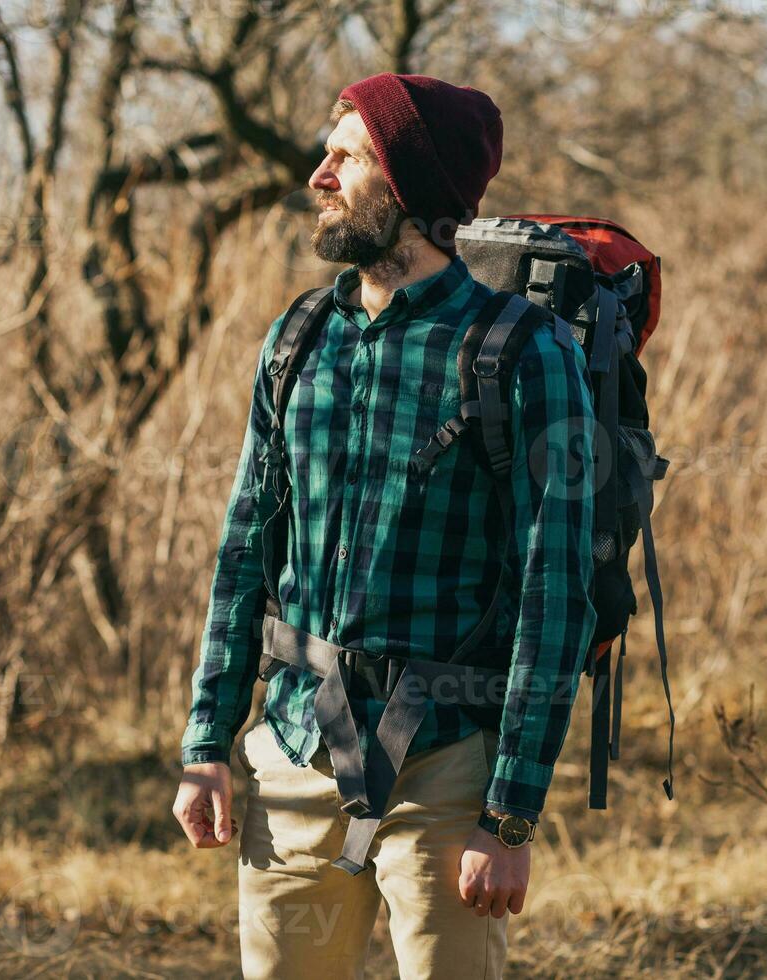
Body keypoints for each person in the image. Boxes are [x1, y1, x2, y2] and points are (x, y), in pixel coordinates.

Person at [171, 71, 597, 980]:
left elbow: (556, 595)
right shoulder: (297, 340)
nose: (319, 178)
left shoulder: (525, 351)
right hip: (290, 755)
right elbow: (246, 550)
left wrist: (509, 815)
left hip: (445, 772)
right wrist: (208, 744)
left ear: (410, 190)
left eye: (347, 158)